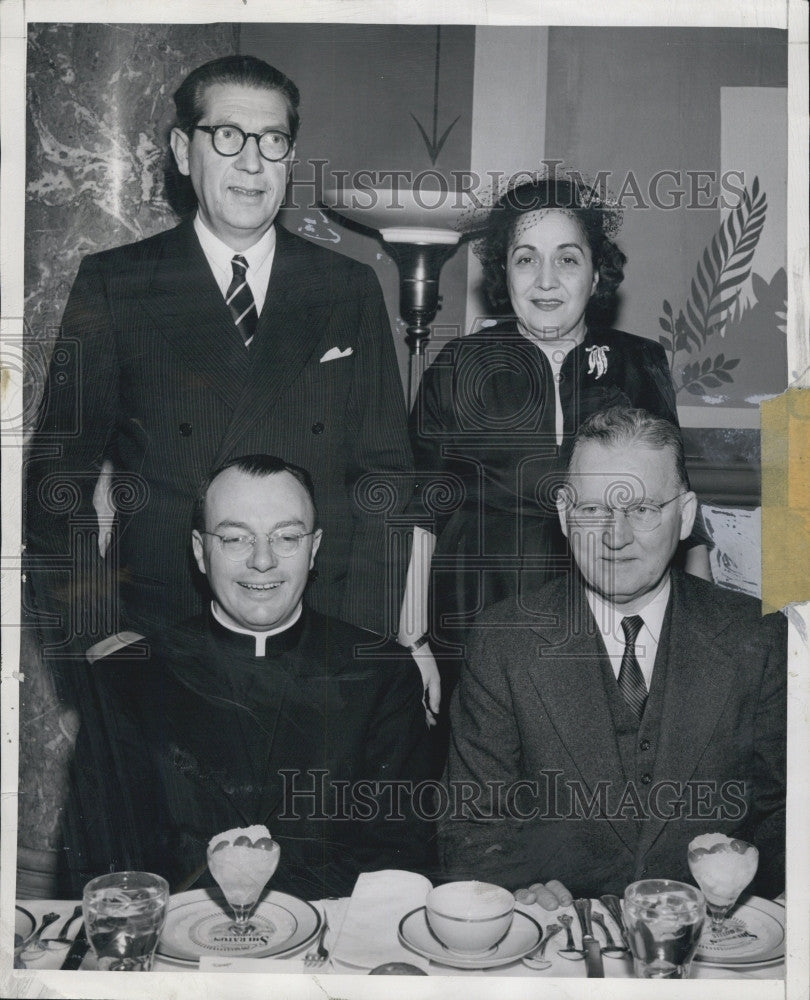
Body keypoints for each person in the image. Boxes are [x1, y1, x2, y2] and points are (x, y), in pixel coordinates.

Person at [25, 54, 412, 653]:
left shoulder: (346, 287)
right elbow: (57, 477)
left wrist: (365, 639)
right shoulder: (117, 284)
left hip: (319, 634)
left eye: (274, 140)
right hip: (158, 636)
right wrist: (96, 633)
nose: (253, 162)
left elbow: (385, 480)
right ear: (183, 152)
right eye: (228, 136)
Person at [402, 173, 710, 752]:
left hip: (607, 616)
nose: (545, 280)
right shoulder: (459, 363)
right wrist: (413, 641)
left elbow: (683, 518)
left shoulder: (638, 362)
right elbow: (421, 514)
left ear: (597, 275)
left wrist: (698, 647)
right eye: (525, 259)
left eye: (567, 259)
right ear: (503, 274)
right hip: (476, 612)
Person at [439, 406, 785, 901]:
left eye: (641, 509)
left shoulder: (760, 636)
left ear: (685, 515)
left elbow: (785, 816)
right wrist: (520, 894)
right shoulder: (503, 641)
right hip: (561, 943)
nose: (614, 536)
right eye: (593, 509)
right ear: (564, 514)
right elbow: (472, 827)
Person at [60, 455, 432, 900]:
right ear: (201, 551)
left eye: (287, 537)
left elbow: (399, 860)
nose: (262, 561)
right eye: (236, 538)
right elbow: (103, 863)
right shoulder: (125, 679)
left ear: (314, 549)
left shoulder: (383, 676)